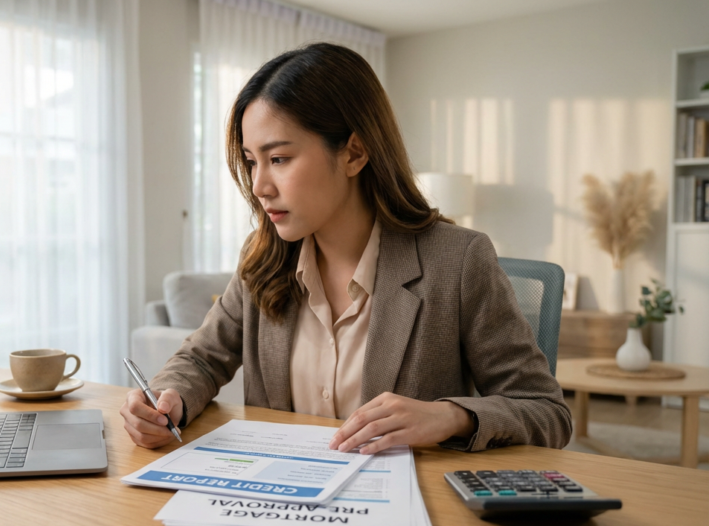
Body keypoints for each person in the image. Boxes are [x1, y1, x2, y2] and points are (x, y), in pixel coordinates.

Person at [119, 42, 571, 455]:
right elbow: (200, 358)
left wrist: (450, 416)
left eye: (279, 159)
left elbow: (545, 411)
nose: (259, 186)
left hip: (406, 524)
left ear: (354, 153)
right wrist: (168, 397)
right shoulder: (263, 259)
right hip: (277, 504)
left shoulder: (457, 260)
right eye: (252, 162)